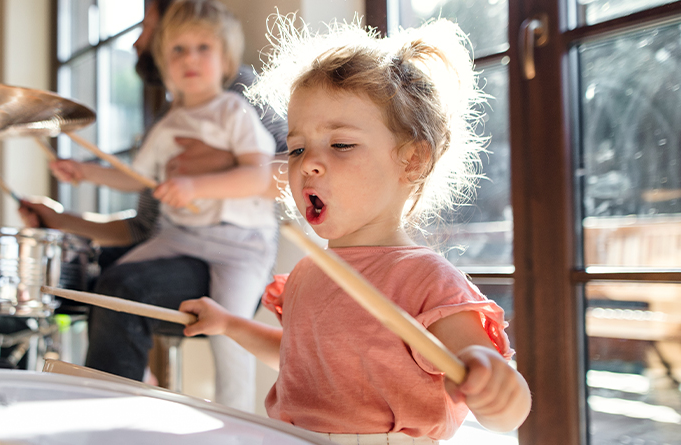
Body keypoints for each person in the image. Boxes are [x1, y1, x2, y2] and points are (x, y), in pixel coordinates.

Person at [178, 18, 532, 443]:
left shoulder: (426, 279)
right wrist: (230, 325)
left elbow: (501, 404)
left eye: (341, 144)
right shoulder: (310, 273)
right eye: (296, 148)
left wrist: (498, 390)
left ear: (413, 160)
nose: (307, 162)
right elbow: (297, 358)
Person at [43, 0, 279, 412]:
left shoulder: (234, 109)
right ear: (165, 62)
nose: (190, 59)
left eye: (203, 48)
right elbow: (138, 180)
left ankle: (236, 425)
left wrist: (196, 185)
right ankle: (109, 402)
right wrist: (87, 172)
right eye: (178, 50)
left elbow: (260, 174)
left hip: (238, 246)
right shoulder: (169, 122)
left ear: (225, 59)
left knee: (230, 339)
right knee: (116, 285)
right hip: (179, 236)